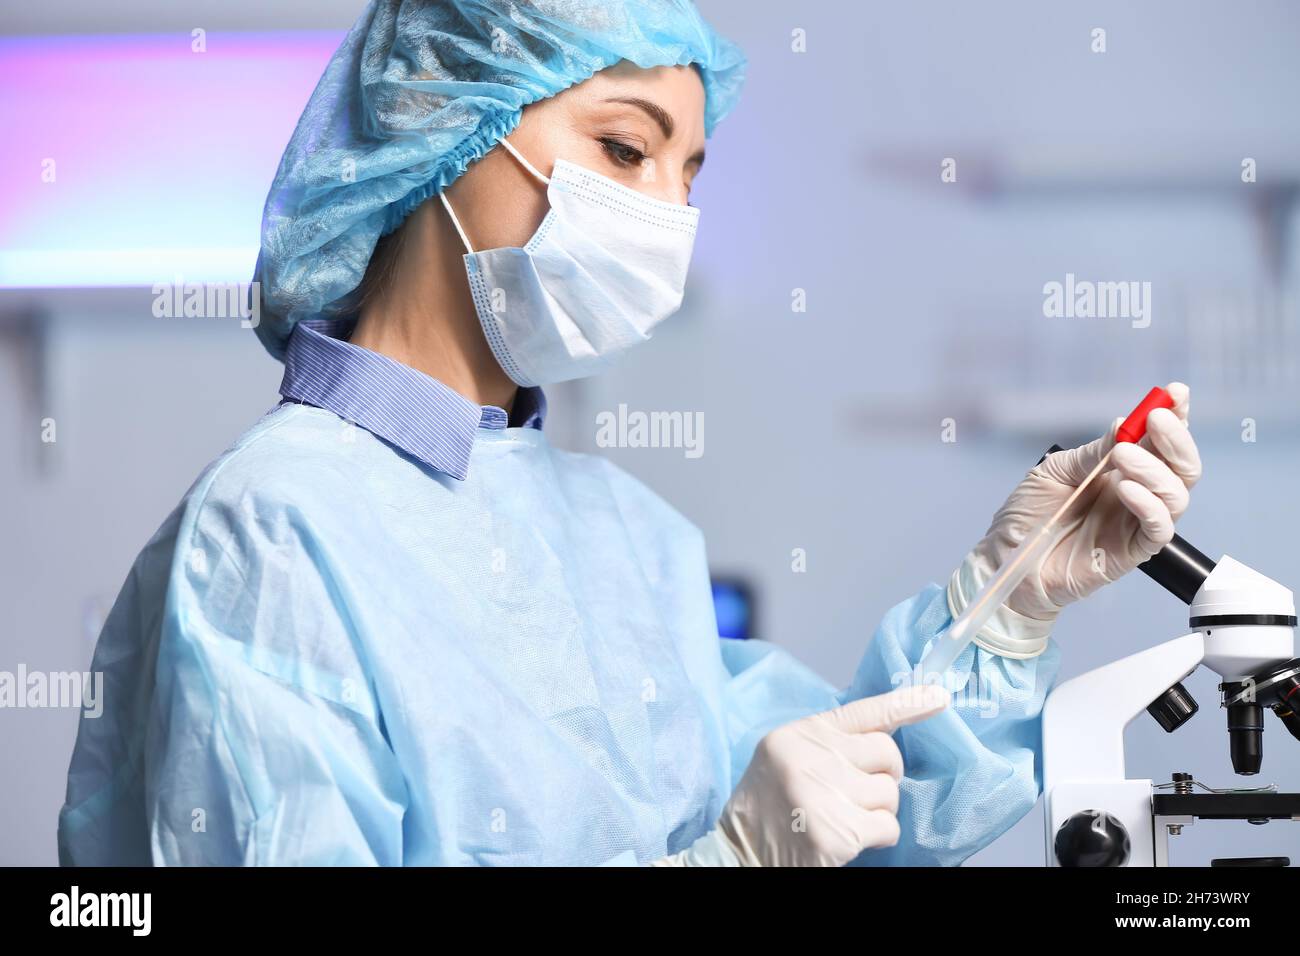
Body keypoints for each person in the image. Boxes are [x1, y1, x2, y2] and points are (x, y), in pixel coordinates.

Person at [57, 0, 1201, 867]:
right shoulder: (273, 530)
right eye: (623, 148)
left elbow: (856, 809)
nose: (665, 214)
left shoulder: (624, 534)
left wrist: (1010, 597)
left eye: (689, 170)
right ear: (443, 125)